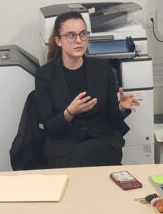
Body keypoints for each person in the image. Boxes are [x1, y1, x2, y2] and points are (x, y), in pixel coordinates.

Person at [33, 12, 140, 167]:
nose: (78, 40)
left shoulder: (102, 68)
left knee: (93, 151)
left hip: (101, 140)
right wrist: (70, 112)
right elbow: (49, 125)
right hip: (65, 147)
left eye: (83, 34)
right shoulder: (45, 75)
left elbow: (110, 118)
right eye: (71, 35)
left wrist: (120, 107)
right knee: (85, 154)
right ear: (58, 40)